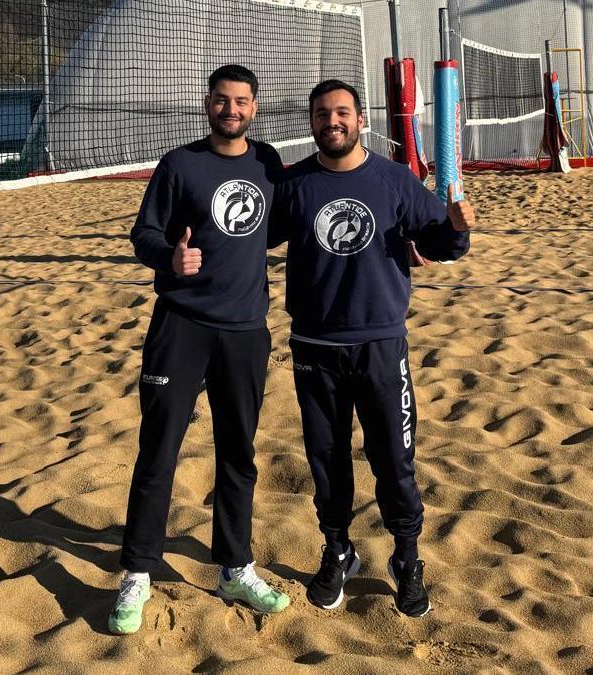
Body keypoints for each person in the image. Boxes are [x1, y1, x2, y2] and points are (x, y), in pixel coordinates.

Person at [269, 79, 475, 618]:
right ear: (312, 122)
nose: (331, 121)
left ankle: (406, 559)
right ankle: (339, 549)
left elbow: (438, 239)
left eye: (341, 112)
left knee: (393, 459)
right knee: (326, 458)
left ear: (361, 119)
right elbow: (245, 234)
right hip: (314, 344)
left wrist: (457, 231)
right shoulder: (293, 185)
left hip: (380, 343)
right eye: (321, 114)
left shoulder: (394, 180)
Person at [110, 65, 291, 635]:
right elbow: (145, 233)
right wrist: (170, 258)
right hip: (181, 326)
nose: (230, 109)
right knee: (159, 449)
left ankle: (234, 566)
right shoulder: (179, 164)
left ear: (254, 108)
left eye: (241, 101)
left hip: (244, 330)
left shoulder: (267, 163)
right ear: (207, 104)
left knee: (237, 453)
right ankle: (137, 571)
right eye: (221, 100)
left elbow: (282, 225)